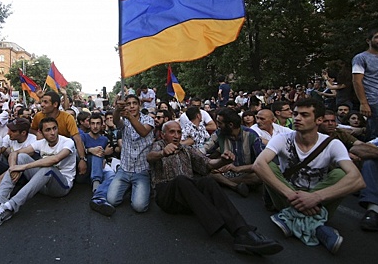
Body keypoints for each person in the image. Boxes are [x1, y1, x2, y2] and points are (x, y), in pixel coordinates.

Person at [147, 121, 282, 256]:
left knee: (207, 181)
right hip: (167, 195)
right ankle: (217, 221)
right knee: (181, 180)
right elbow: (150, 157)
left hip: (187, 195)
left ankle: (243, 232)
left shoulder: (186, 149)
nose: (176, 135)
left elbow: (207, 163)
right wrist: (163, 153)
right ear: (163, 135)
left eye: (179, 132)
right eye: (172, 132)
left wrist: (223, 161)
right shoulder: (158, 145)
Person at [253, 98, 365, 254]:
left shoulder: (332, 144)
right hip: (287, 198)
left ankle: (289, 218)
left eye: (305, 115)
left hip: (319, 203)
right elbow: (258, 164)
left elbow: (357, 180)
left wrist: (316, 197)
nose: (297, 118)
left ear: (319, 120)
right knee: (269, 166)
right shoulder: (283, 139)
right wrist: (291, 194)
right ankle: (318, 227)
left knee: (341, 174)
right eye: (296, 114)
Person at [0, 117, 76, 227]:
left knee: (49, 169)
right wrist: (13, 168)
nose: (52, 133)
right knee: (21, 156)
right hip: (41, 184)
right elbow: (14, 154)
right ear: (41, 132)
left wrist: (23, 167)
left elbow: (55, 159)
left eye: (54, 128)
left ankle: (10, 207)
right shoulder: (41, 143)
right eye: (48, 130)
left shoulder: (67, 142)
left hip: (62, 186)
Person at [107, 94, 154, 213]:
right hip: (124, 169)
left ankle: (136, 188)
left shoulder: (149, 119)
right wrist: (118, 109)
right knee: (111, 200)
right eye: (128, 104)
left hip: (142, 171)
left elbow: (143, 132)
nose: (132, 106)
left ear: (139, 105)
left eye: (134, 103)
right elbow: (116, 120)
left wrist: (129, 116)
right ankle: (129, 187)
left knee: (140, 207)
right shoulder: (124, 121)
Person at [204, 108, 263, 197]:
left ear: (230, 125)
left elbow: (261, 163)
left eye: (220, 123)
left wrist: (238, 169)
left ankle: (227, 183)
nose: (217, 126)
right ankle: (235, 186)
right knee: (210, 172)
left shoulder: (251, 135)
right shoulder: (219, 133)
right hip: (227, 172)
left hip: (246, 172)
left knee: (259, 176)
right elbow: (204, 148)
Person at [30, 91, 87, 177]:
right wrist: (38, 133)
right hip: (46, 152)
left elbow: (77, 139)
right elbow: (31, 129)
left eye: (45, 102)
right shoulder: (38, 116)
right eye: (41, 101)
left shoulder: (67, 117)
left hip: (64, 153)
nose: (41, 105)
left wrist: (82, 159)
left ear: (55, 104)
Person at [352, 27, 378, 139]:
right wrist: (363, 103)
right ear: (368, 40)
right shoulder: (361, 58)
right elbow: (357, 81)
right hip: (374, 101)